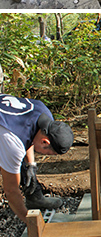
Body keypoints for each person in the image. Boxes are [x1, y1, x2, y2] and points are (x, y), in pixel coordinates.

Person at [0, 94, 74, 222]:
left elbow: (30, 136)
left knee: (17, 160)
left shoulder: (44, 114)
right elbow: (11, 190)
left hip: (6, 129)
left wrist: (31, 166)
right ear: (45, 142)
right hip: (4, 131)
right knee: (13, 161)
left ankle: (35, 199)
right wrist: (31, 222)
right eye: (49, 154)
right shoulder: (12, 142)